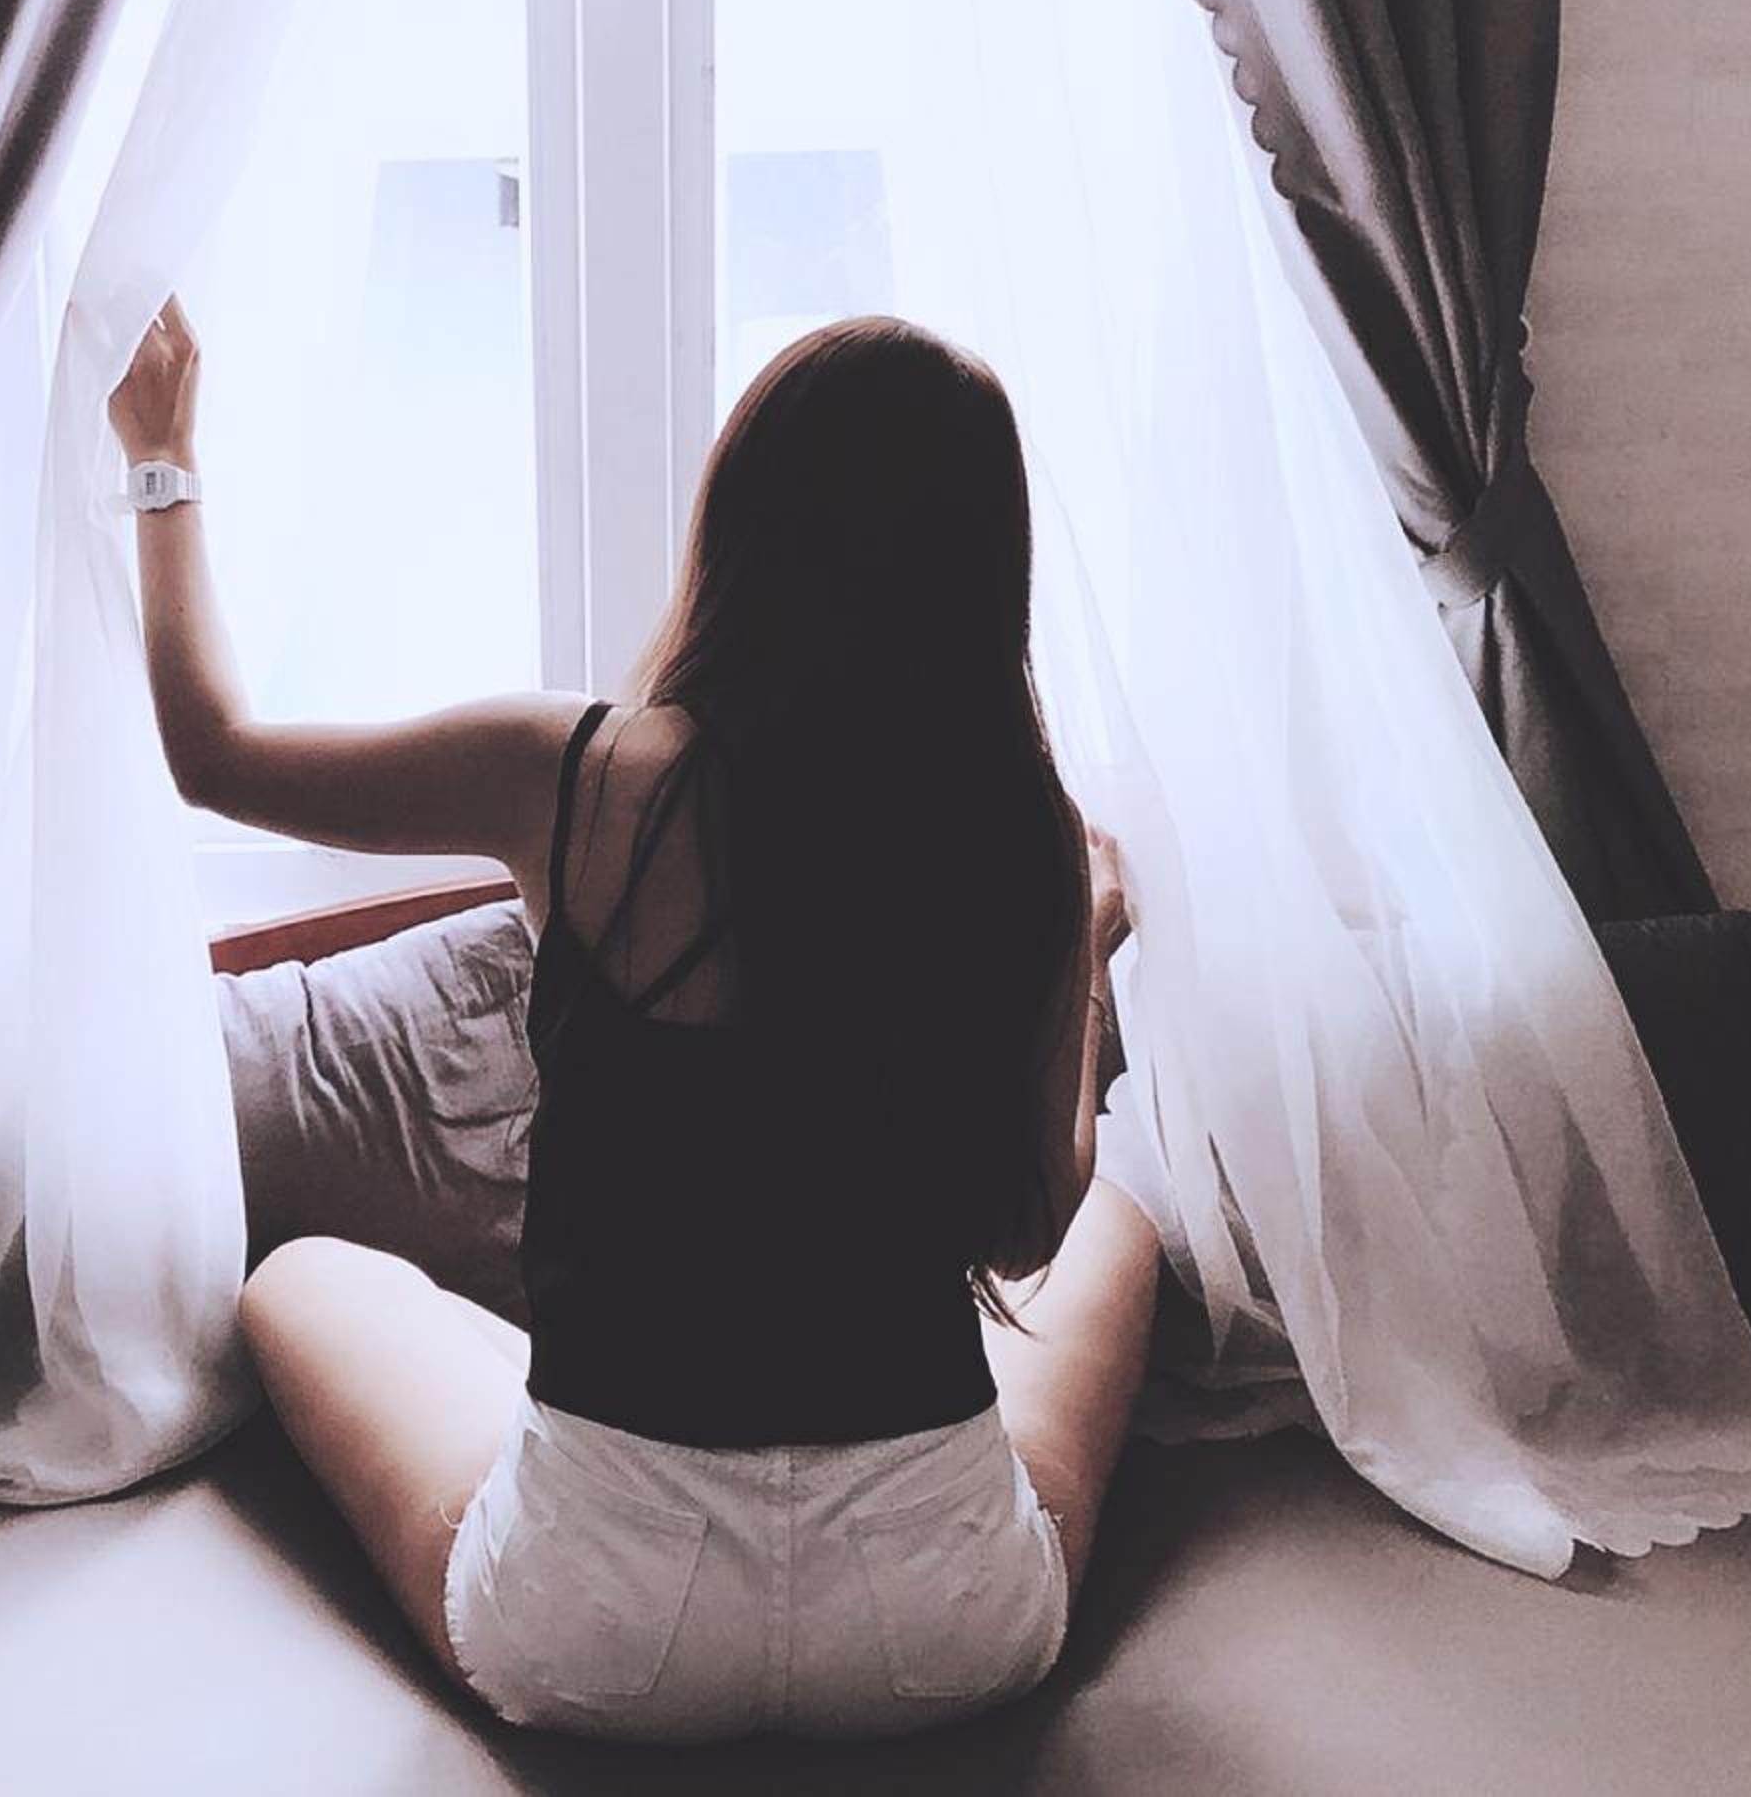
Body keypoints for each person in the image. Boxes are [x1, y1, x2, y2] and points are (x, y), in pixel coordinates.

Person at [110, 296, 1160, 1743]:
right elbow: (1030, 1233)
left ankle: (565, 1436)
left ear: (742, 526)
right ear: (986, 570)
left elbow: (213, 752)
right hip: (937, 1625)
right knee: (1122, 1233)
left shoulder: (573, 773)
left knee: (300, 1278)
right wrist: (1085, 939)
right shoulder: (1021, 828)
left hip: (599, 1628)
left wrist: (161, 457)